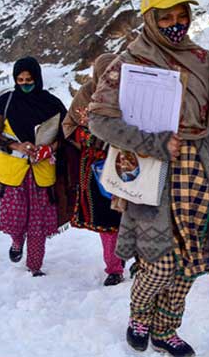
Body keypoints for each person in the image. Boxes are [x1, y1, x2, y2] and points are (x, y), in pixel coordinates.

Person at [88, 0, 209, 357]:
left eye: (182, 16)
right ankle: (139, 317)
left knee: (189, 263)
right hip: (149, 176)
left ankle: (166, 329)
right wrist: (152, 143)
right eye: (166, 17)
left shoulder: (207, 63)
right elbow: (98, 118)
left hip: (197, 175)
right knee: (157, 265)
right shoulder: (130, 63)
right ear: (150, 21)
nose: (177, 23)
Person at [0, 56, 67, 277]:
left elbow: (66, 135)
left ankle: (35, 266)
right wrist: (16, 146)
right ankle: (16, 241)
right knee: (14, 217)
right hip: (13, 172)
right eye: (20, 79)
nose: (24, 83)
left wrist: (49, 149)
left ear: (37, 78)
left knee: (38, 222)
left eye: (29, 79)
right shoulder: (5, 102)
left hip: (41, 172)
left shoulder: (52, 104)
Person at [62, 53, 127, 286]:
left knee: (135, 214)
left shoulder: (130, 94)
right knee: (107, 218)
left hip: (129, 164)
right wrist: (94, 137)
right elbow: (69, 125)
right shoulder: (86, 95)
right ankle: (114, 268)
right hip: (97, 165)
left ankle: (137, 257)